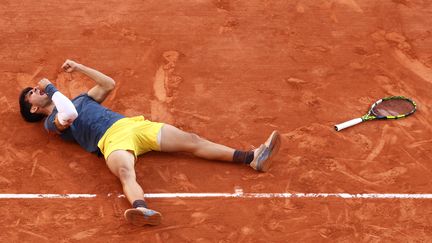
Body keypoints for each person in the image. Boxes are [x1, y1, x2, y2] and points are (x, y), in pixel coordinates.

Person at [18, 59, 281, 226]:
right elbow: (69, 115)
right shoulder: (50, 123)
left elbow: (108, 84)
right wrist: (51, 88)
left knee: (191, 140)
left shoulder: (81, 99)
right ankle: (142, 210)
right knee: (125, 172)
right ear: (32, 110)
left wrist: (79, 67)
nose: (35, 90)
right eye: (30, 94)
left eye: (34, 88)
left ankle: (252, 157)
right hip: (109, 140)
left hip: (134, 126)